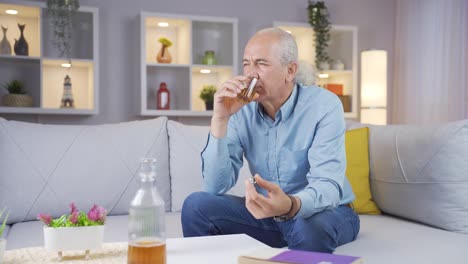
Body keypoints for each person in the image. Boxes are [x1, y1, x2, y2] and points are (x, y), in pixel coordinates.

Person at [181, 27, 359, 253]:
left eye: (261, 64)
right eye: (246, 64)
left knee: (308, 226)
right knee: (196, 205)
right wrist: (220, 118)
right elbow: (214, 186)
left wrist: (291, 205)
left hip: (325, 211)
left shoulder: (324, 106)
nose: (251, 74)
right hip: (271, 214)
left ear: (290, 70)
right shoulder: (240, 111)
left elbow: (327, 186)